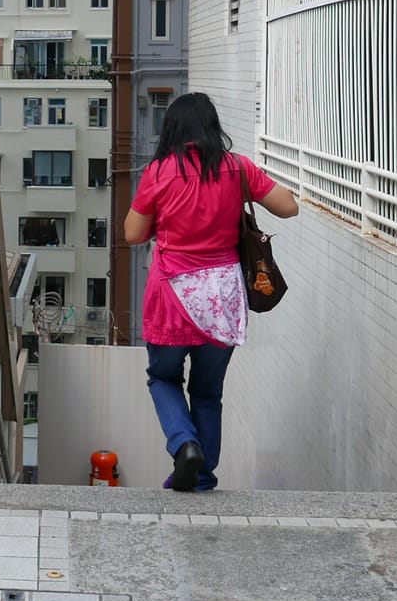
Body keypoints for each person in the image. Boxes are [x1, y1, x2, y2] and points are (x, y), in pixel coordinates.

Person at [123, 93, 298, 491]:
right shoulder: (238, 169)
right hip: (223, 297)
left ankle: (185, 444)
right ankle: (201, 476)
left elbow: (132, 234)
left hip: (174, 296)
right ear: (212, 127)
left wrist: (163, 222)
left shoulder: (159, 173)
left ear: (172, 129)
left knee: (163, 379)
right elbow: (288, 208)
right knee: (207, 392)